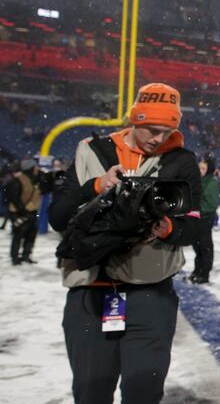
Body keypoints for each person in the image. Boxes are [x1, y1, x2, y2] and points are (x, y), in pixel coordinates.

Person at [48, 83, 201, 403]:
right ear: (135, 119)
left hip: (149, 291)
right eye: (152, 129)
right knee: (91, 391)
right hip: (89, 287)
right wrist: (98, 186)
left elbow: (194, 228)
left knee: (143, 392)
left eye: (169, 129)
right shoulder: (91, 150)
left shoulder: (181, 161)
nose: (159, 138)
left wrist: (165, 227)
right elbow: (58, 217)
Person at [189, 155, 220, 284]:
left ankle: (204, 273)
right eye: (199, 167)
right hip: (195, 218)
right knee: (197, 246)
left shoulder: (211, 182)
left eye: (203, 168)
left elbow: (211, 204)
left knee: (205, 246)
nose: (200, 170)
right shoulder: (198, 180)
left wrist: (196, 209)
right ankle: (197, 271)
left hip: (205, 219)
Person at [7, 158, 41, 265]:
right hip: (19, 213)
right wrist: (22, 211)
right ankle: (15, 257)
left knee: (31, 235)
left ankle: (26, 255)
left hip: (31, 212)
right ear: (31, 168)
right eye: (35, 167)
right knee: (18, 235)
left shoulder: (34, 179)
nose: (37, 169)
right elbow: (14, 197)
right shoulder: (18, 180)